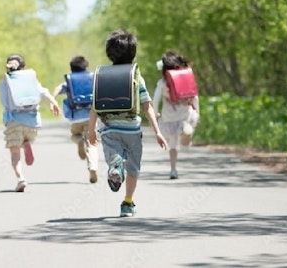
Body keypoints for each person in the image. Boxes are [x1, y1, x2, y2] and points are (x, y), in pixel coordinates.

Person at [88, 29, 167, 217]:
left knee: (114, 156)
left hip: (108, 128)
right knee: (133, 168)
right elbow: (147, 107)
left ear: (109, 52)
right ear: (133, 53)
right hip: (132, 129)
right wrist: (157, 131)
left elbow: (94, 106)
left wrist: (91, 130)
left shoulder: (101, 76)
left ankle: (115, 167)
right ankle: (127, 202)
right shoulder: (136, 77)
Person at [0, 54, 60, 192]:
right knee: (26, 136)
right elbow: (43, 92)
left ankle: (21, 178)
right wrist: (54, 102)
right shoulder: (31, 79)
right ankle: (27, 142)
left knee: (15, 155)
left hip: (14, 121)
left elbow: (4, 102)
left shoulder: (6, 82)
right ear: (23, 67)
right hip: (32, 122)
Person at [152, 50, 200, 179]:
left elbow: (155, 100)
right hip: (185, 115)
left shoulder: (162, 83)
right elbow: (194, 97)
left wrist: (155, 113)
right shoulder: (186, 78)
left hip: (169, 117)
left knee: (172, 145)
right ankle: (186, 135)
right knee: (184, 140)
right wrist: (198, 113)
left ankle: (173, 170)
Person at [52, 56, 98, 184]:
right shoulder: (92, 77)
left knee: (75, 135)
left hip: (75, 117)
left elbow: (58, 89)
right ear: (86, 67)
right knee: (92, 143)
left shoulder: (69, 80)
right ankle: (93, 167)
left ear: (71, 68)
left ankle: (79, 141)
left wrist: (53, 100)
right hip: (91, 116)